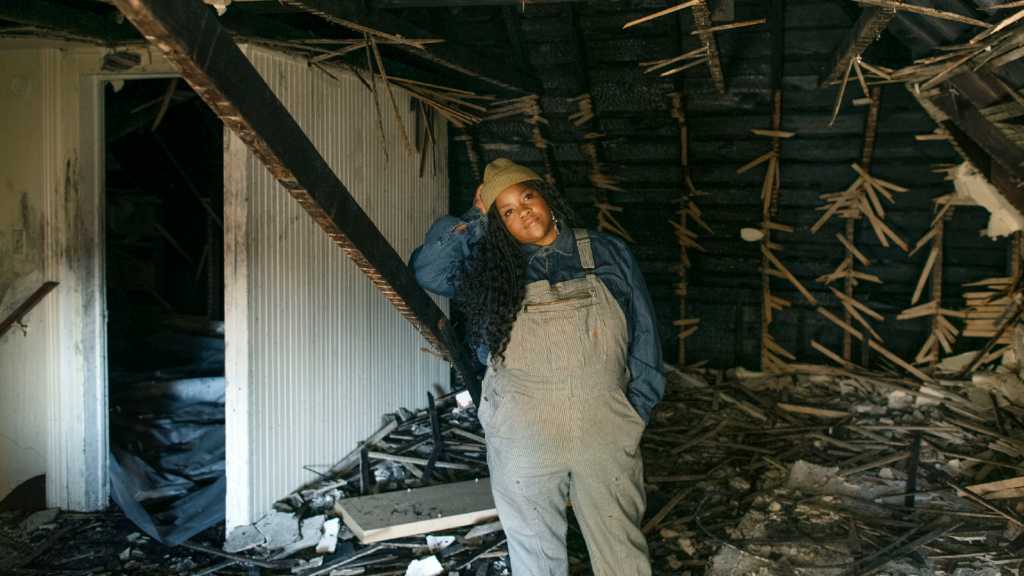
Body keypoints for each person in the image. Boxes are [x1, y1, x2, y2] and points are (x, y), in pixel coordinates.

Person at [410, 158, 664, 576]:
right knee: (533, 551)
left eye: (527, 196)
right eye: (507, 210)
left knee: (621, 548)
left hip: (604, 426)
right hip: (522, 432)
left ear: (546, 196)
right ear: (498, 223)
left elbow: (646, 340)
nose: (523, 211)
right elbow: (429, 270)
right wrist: (477, 215)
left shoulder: (604, 251)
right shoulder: (489, 270)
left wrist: (633, 412)